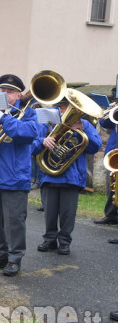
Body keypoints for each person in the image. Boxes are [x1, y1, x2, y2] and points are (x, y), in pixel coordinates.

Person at [0, 74, 38, 277]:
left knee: (14, 220)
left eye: (10, 92)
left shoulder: (27, 112)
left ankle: (14, 258)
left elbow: (29, 134)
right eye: (2, 91)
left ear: (19, 94)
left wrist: (4, 119)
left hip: (14, 175)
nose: (5, 95)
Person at [33, 97, 102, 255]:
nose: (64, 110)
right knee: (50, 211)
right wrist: (43, 141)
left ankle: (64, 241)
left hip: (72, 176)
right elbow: (33, 145)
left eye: (66, 106)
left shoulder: (83, 124)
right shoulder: (48, 122)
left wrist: (84, 128)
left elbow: (95, 146)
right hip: (50, 174)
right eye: (61, 106)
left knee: (67, 212)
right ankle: (49, 239)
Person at [95, 100, 118, 226]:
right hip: (113, 152)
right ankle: (111, 215)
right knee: (112, 185)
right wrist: (110, 111)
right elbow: (105, 123)